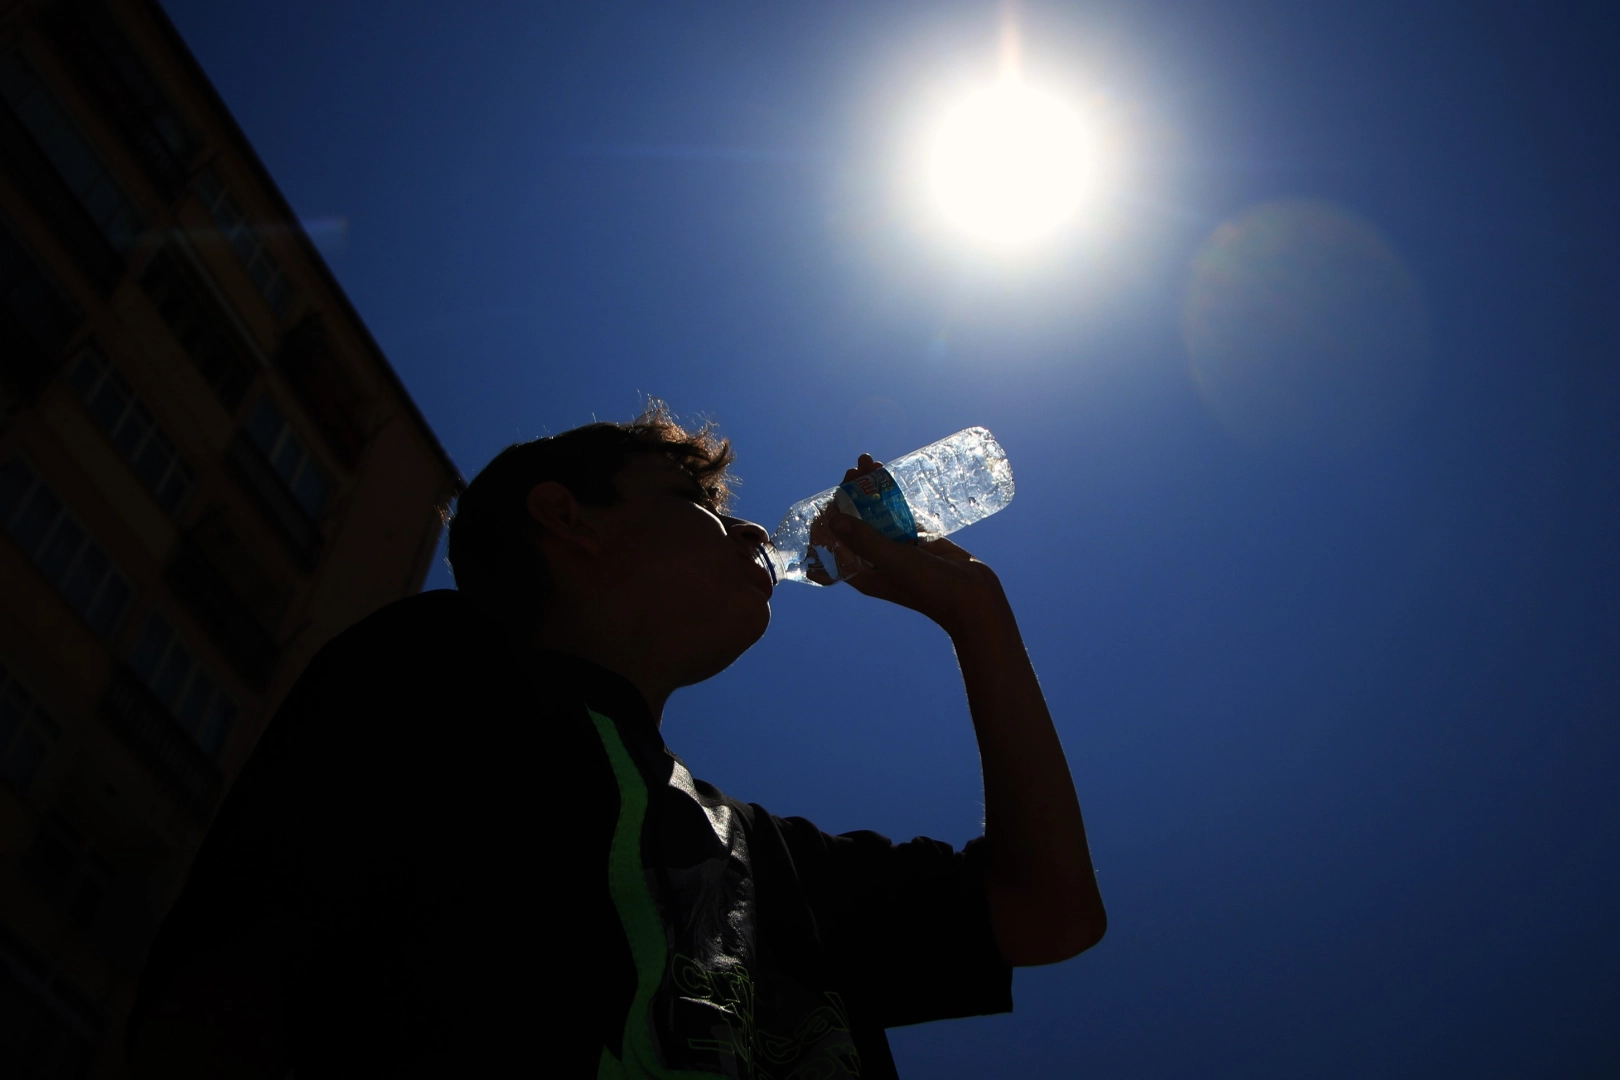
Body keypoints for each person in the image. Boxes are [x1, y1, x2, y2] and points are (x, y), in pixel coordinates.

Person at [127, 403, 1106, 1078]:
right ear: (567, 519)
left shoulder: (764, 864)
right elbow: (230, 996)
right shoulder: (444, 673)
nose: (754, 529)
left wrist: (977, 613)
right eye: (702, 507)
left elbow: (1048, 913)